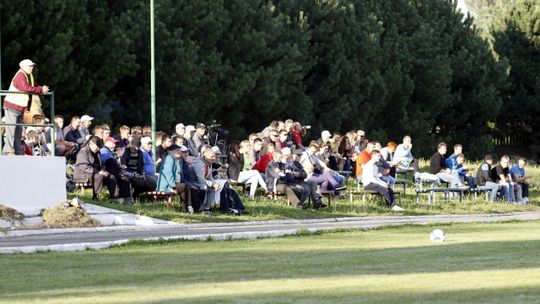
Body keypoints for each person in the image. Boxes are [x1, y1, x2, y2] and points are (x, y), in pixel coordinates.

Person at [2, 59, 49, 155]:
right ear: (22, 67)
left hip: (20, 107)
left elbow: (33, 86)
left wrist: (42, 88)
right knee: (11, 129)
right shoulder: (20, 75)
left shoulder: (28, 75)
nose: (31, 68)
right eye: (29, 66)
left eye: (32, 66)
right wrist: (40, 89)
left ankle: (18, 151)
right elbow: (25, 88)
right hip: (12, 106)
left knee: (18, 131)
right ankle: (9, 151)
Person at [156, 144, 193, 213]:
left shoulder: (176, 160)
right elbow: (168, 174)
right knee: (185, 186)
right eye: (177, 150)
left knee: (185, 187)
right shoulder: (169, 159)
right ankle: (188, 206)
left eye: (179, 150)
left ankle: (186, 208)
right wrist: (172, 187)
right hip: (166, 186)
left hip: (174, 183)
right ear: (171, 152)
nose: (179, 152)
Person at [100, 137, 131, 203]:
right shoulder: (103, 150)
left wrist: (120, 166)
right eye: (113, 143)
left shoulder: (112, 153)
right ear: (107, 143)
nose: (115, 145)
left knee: (125, 178)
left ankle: (123, 199)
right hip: (107, 172)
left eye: (115, 143)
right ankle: (114, 198)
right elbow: (106, 162)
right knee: (112, 176)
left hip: (115, 171)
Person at [191, 147, 221, 215]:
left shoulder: (209, 164)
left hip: (200, 182)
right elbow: (201, 179)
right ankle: (200, 208)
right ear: (205, 156)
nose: (214, 158)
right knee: (204, 186)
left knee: (213, 188)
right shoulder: (199, 163)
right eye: (212, 156)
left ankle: (207, 208)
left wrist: (215, 184)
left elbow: (210, 177)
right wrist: (212, 184)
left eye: (214, 156)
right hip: (193, 182)